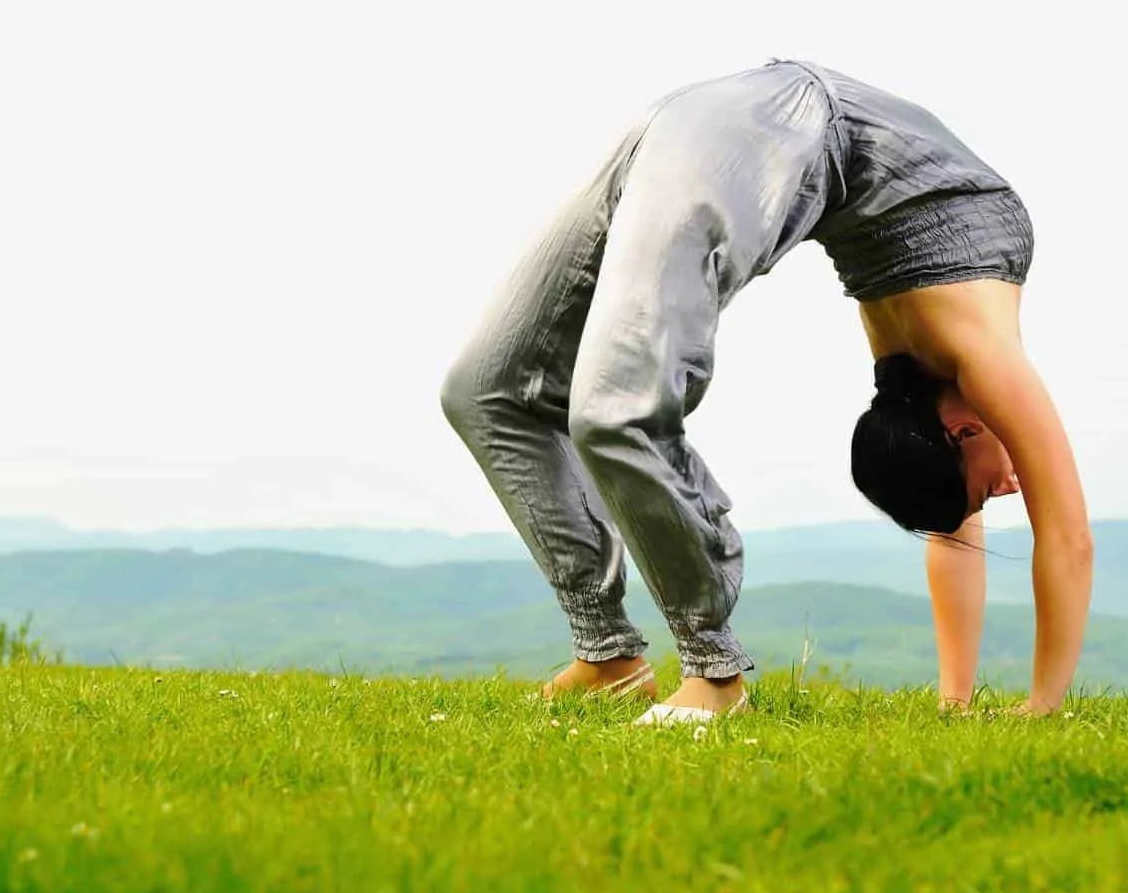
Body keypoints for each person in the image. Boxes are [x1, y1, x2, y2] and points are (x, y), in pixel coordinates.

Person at [440, 58, 1092, 725]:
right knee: (565, 399)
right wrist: (1043, 706)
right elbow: (1067, 535)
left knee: (509, 389)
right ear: (959, 433)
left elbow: (951, 522)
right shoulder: (985, 358)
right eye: (986, 492)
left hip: (722, 115)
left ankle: (634, 661)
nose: (1006, 489)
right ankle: (685, 667)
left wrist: (953, 703)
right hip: (783, 119)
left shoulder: (917, 381)